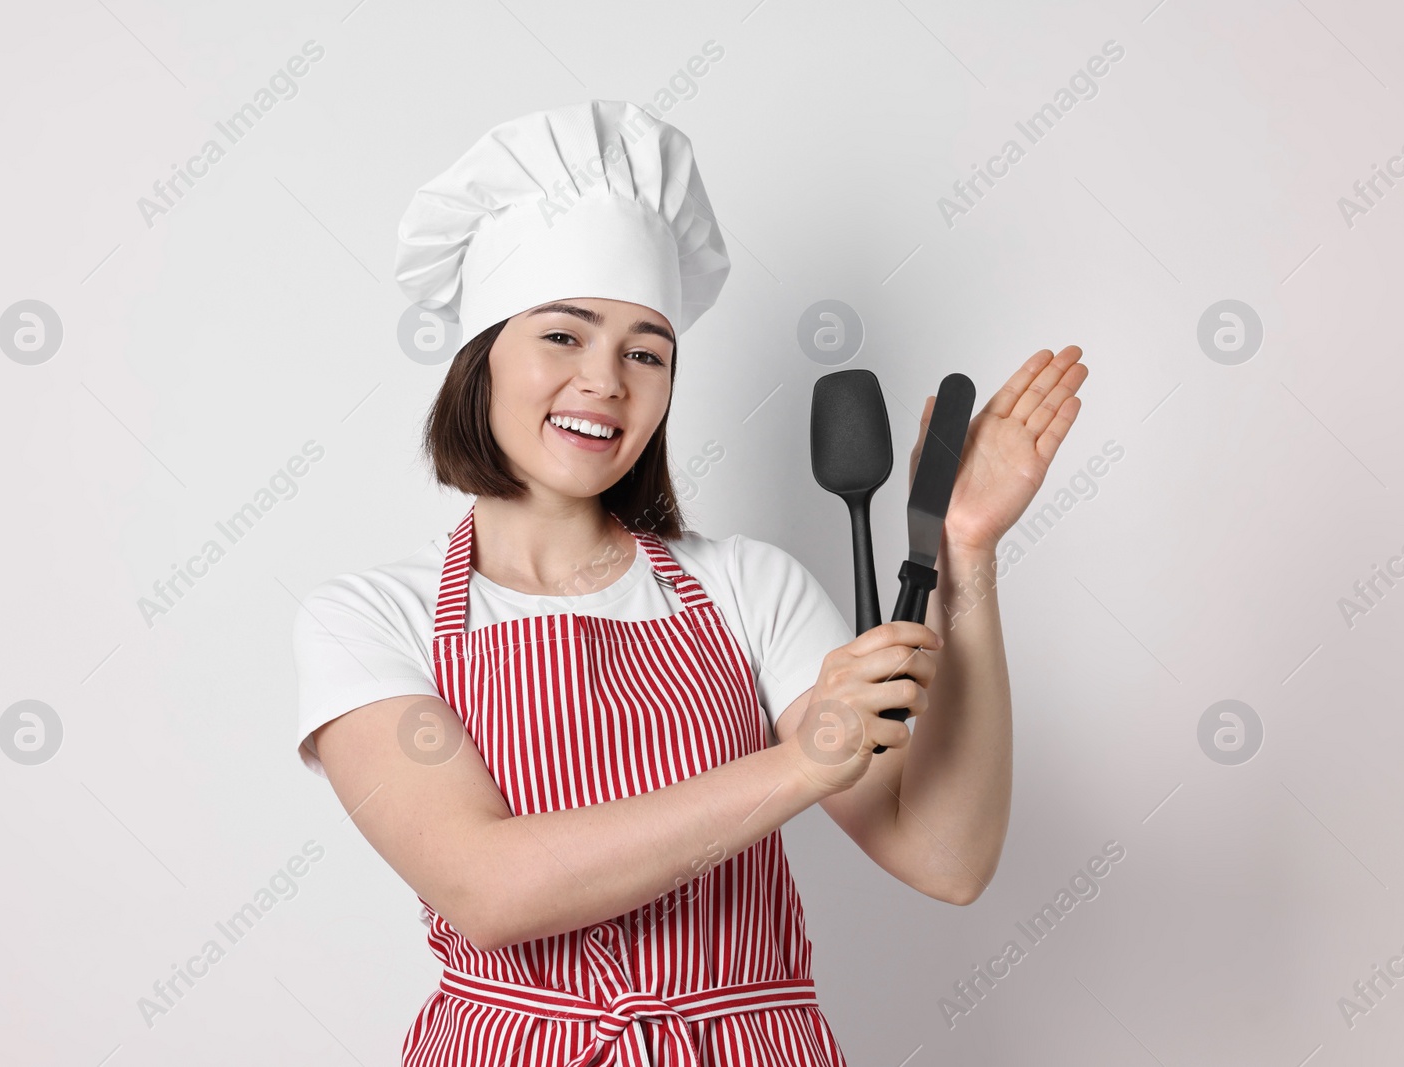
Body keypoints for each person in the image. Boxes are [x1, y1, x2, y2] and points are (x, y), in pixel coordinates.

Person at [291, 99, 1087, 1067]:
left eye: (644, 351)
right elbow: (488, 888)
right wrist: (802, 761)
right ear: (479, 354)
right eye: (562, 335)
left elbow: (946, 856)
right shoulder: (372, 617)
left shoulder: (751, 586)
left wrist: (964, 551)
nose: (606, 381)